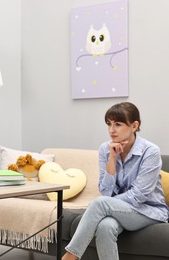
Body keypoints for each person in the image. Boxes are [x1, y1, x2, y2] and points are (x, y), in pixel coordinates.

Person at [62, 102, 168, 260]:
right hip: (121, 210)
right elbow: (105, 191)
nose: (112, 130)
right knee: (105, 226)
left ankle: (70, 256)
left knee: (99, 203)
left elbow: (138, 196)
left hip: (148, 211)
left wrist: (105, 204)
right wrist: (112, 158)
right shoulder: (106, 149)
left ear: (134, 126)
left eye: (118, 124)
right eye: (109, 124)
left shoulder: (150, 151)